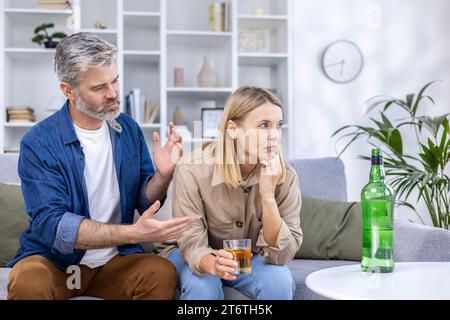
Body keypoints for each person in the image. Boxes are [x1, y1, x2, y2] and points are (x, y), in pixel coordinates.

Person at [7, 32, 193, 300]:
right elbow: (54, 224)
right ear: (67, 90)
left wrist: (163, 176)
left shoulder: (127, 129)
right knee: (27, 280)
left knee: (160, 272)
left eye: (115, 81)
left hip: (112, 264)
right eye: (99, 88)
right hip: (58, 263)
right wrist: (131, 233)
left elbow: (143, 197)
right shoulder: (39, 143)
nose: (113, 93)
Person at [157, 86, 303, 300]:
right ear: (233, 129)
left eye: (278, 126)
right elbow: (190, 242)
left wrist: (268, 197)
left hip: (250, 256)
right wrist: (212, 263)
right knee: (203, 289)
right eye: (264, 125)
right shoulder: (192, 168)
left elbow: (282, 253)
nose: (275, 135)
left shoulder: (286, 175)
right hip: (191, 252)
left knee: (279, 283)